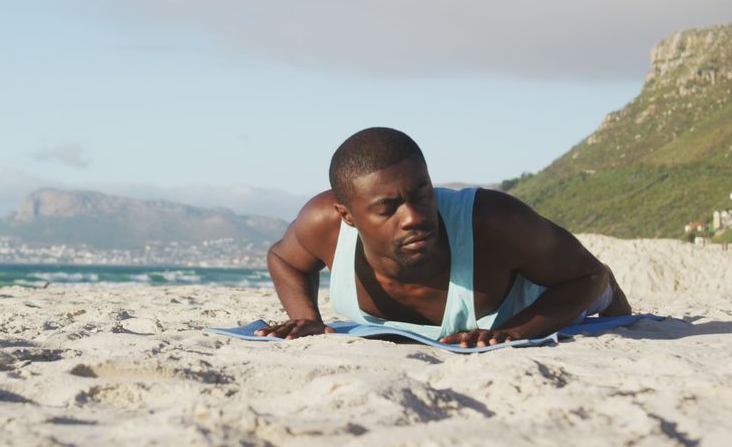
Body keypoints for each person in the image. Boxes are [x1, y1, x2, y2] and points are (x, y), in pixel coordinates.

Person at [256, 127, 631, 348]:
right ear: (347, 216)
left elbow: (588, 275)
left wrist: (513, 333)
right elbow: (284, 259)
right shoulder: (323, 224)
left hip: (552, 291)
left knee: (602, 291)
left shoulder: (493, 220)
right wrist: (306, 318)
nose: (415, 218)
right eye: (389, 208)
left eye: (422, 194)